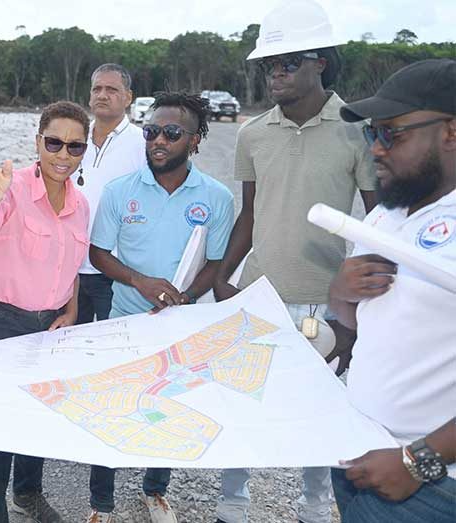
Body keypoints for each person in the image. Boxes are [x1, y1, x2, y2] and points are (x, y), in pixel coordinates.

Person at [211, 2, 377, 522]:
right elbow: (250, 213)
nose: (275, 74)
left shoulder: (358, 130)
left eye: (287, 62)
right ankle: (231, 506)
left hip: (324, 302)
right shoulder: (253, 133)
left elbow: (378, 226)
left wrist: (351, 315)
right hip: (259, 295)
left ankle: (314, 506)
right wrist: (221, 279)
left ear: (321, 61)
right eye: (268, 65)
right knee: (245, 402)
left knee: (318, 411)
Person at [87, 91, 235, 523]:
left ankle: (156, 491)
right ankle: (100, 504)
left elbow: (216, 261)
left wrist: (185, 298)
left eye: (172, 133)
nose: (158, 141)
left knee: (166, 408)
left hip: (180, 325)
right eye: (151, 131)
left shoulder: (217, 197)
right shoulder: (120, 192)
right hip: (125, 321)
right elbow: (98, 253)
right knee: (111, 410)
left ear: (195, 141)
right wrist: (139, 281)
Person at [327, 58, 456, 523]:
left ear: (451, 131)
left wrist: (418, 461)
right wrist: (339, 292)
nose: (376, 150)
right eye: (371, 134)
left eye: (391, 134)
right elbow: (361, 324)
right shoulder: (388, 214)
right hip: (361, 458)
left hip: (431, 485)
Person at [0, 101, 91, 523]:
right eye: (54, 142)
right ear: (38, 142)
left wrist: (71, 312)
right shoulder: (10, 187)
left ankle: (27, 495)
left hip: (49, 327)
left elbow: (70, 267)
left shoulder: (81, 205)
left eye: (74, 147)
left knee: (37, 415)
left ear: (84, 151)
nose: (62, 154)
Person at [74, 63, 147, 325]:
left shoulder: (143, 143)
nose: (102, 95)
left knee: (115, 345)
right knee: (66, 347)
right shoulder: (73, 139)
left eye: (112, 89)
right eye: (97, 89)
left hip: (117, 269)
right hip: (68, 269)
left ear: (128, 97)